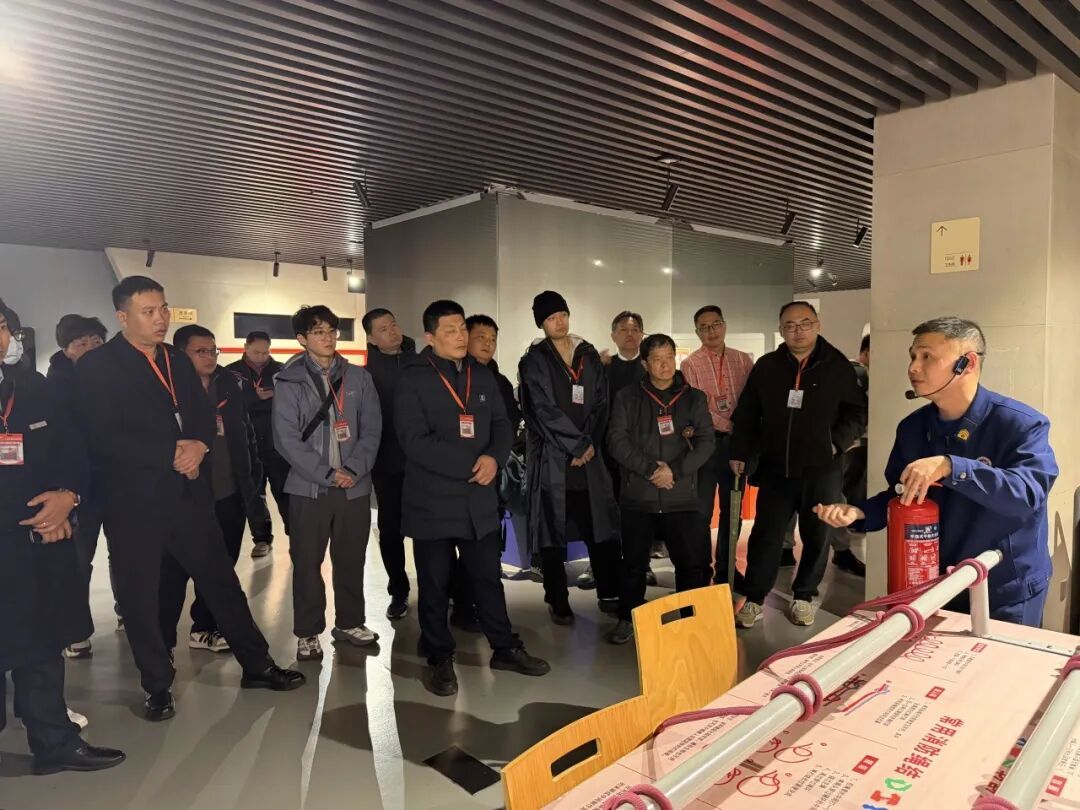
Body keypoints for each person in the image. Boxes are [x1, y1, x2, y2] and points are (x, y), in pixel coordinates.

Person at [76, 276, 305, 721]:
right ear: (122, 317)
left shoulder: (176, 360)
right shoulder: (98, 366)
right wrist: (170, 452)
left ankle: (257, 665)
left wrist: (199, 443)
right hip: (133, 502)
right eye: (148, 311)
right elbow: (101, 435)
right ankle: (157, 685)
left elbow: (200, 413)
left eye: (163, 308)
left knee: (221, 581)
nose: (160, 318)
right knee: (141, 597)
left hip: (187, 494)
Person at [816, 317, 1057, 626]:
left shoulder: (1020, 424)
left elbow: (1027, 495)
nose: (913, 367)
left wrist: (952, 466)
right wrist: (860, 513)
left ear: (967, 363)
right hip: (936, 583)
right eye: (913, 356)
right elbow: (902, 493)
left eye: (927, 357)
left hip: (1005, 588)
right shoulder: (913, 428)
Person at [396, 300, 550, 696]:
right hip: (433, 499)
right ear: (430, 337)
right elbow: (414, 441)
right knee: (435, 583)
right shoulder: (412, 378)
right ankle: (439, 656)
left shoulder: (480, 375)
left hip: (478, 498)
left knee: (487, 578)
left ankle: (504, 647)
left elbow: (502, 423)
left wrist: (494, 458)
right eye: (450, 330)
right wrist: (472, 463)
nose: (461, 336)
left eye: (462, 328)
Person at [0, 299, 125, 774]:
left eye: (2, 326)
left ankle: (55, 742)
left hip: (36, 542)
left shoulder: (32, 388)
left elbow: (72, 448)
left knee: (41, 643)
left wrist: (67, 497)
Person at [730, 302, 867, 628]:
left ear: (817, 325)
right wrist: (740, 452)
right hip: (775, 467)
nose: (798, 330)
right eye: (790, 325)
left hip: (822, 469)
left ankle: (804, 595)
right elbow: (747, 413)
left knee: (817, 534)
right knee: (766, 535)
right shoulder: (767, 366)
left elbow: (857, 411)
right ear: (781, 329)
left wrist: (835, 443)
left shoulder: (837, 366)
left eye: (805, 323)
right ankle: (754, 597)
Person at [273, 305, 382, 661]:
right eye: (318, 332)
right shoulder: (289, 381)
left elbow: (372, 429)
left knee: (351, 558)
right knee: (307, 563)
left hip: (353, 486)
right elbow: (286, 438)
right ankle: (307, 631)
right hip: (309, 488)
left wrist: (353, 468)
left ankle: (350, 621)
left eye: (332, 331)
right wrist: (326, 473)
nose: (328, 337)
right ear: (302, 339)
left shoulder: (359, 378)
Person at [158, 325, 264, 654]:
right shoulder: (167, 389)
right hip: (185, 496)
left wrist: (251, 480)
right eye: (200, 351)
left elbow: (245, 433)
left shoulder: (229, 383)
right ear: (181, 354)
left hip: (229, 492)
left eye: (213, 350)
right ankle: (162, 646)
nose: (209, 357)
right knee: (173, 573)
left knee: (222, 567)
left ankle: (204, 627)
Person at [519, 291, 621, 624]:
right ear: (542, 323)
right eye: (551, 318)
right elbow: (540, 410)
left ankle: (610, 592)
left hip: (589, 460)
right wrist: (575, 445)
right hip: (554, 458)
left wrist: (588, 444)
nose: (559, 322)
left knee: (599, 526)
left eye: (562, 314)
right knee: (553, 532)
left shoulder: (587, 355)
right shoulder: (533, 361)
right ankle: (557, 599)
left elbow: (601, 404)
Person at [606, 334, 715, 644]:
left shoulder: (694, 398)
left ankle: (690, 623)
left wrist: (674, 471)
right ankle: (627, 618)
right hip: (638, 496)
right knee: (633, 565)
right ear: (645, 363)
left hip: (681, 496)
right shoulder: (627, 397)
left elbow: (706, 442)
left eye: (669, 357)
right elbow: (616, 441)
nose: (665, 365)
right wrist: (652, 470)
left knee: (689, 565)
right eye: (657, 359)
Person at [45, 314, 120, 657]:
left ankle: (127, 611)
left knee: (127, 553)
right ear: (66, 349)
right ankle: (76, 631)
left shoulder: (117, 377)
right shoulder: (54, 388)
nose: (91, 349)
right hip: (77, 488)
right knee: (78, 559)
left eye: (97, 342)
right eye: (82, 343)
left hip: (117, 482)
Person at [779, 332, 870, 576]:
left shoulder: (843, 370)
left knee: (832, 497)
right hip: (798, 449)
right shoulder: (780, 368)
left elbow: (855, 411)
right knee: (791, 495)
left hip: (836, 449)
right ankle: (787, 546)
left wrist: (838, 442)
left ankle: (839, 549)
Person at [680, 305, 754, 586]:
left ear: (724, 325)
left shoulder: (743, 360)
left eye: (715, 324)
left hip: (737, 445)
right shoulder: (691, 364)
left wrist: (741, 430)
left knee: (732, 510)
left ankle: (727, 570)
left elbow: (751, 400)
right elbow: (697, 407)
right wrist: (730, 425)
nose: (711, 331)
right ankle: (702, 571)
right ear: (697, 332)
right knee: (701, 511)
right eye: (704, 327)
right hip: (706, 444)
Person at [362, 307, 416, 620]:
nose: (392, 331)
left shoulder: (420, 362)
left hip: (422, 462)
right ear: (371, 338)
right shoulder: (366, 374)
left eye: (393, 325)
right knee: (391, 530)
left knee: (431, 528)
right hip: (386, 463)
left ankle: (443, 586)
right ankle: (398, 589)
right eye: (383, 329)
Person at [226, 331, 288, 558]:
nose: (261, 357)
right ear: (245, 347)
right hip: (248, 442)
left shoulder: (282, 371)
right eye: (256, 352)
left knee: (285, 491)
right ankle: (262, 538)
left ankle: (296, 536)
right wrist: (256, 397)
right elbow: (228, 403)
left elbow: (293, 400)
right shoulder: (231, 372)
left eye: (265, 352)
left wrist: (272, 395)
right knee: (255, 493)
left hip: (278, 441)